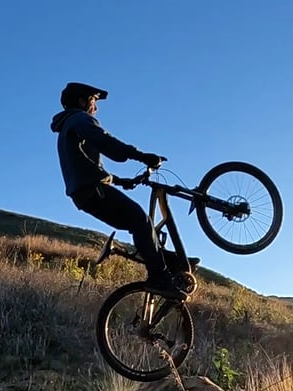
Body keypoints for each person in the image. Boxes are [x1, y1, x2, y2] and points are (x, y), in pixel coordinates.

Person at [50, 82, 195, 296]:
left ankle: (170, 263)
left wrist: (119, 181)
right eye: (93, 101)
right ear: (82, 101)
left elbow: (88, 167)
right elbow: (107, 143)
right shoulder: (80, 119)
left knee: (138, 225)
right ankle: (159, 278)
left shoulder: (67, 129)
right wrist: (142, 156)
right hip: (93, 192)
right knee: (140, 220)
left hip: (85, 195)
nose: (95, 108)